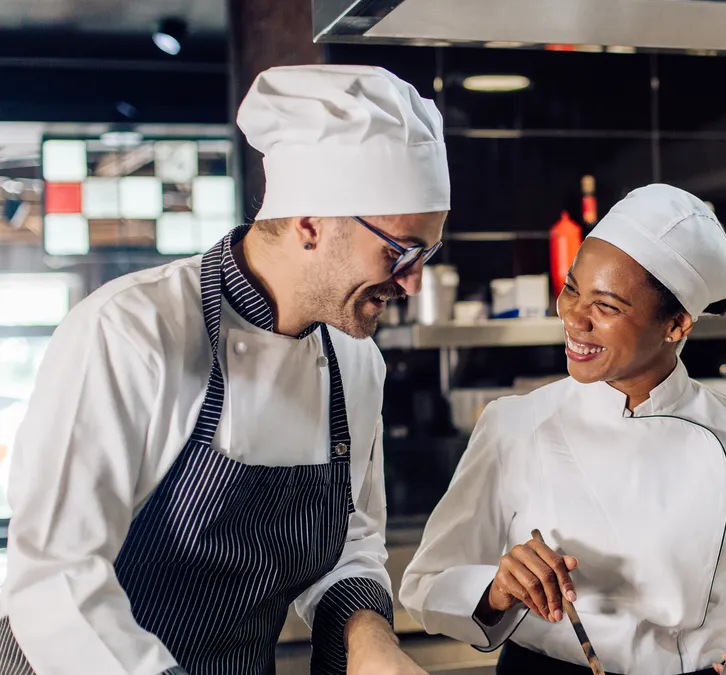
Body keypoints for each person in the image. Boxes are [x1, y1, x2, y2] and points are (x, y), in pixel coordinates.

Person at [0, 64, 448, 675]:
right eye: (401, 251)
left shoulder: (355, 361)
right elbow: (55, 578)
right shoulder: (131, 330)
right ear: (311, 223)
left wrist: (372, 643)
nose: (414, 282)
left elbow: (351, 545)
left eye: (428, 253)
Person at [399, 184, 726, 675]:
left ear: (676, 325)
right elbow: (427, 583)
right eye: (571, 288)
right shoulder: (515, 424)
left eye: (606, 307)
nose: (572, 317)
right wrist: (496, 589)